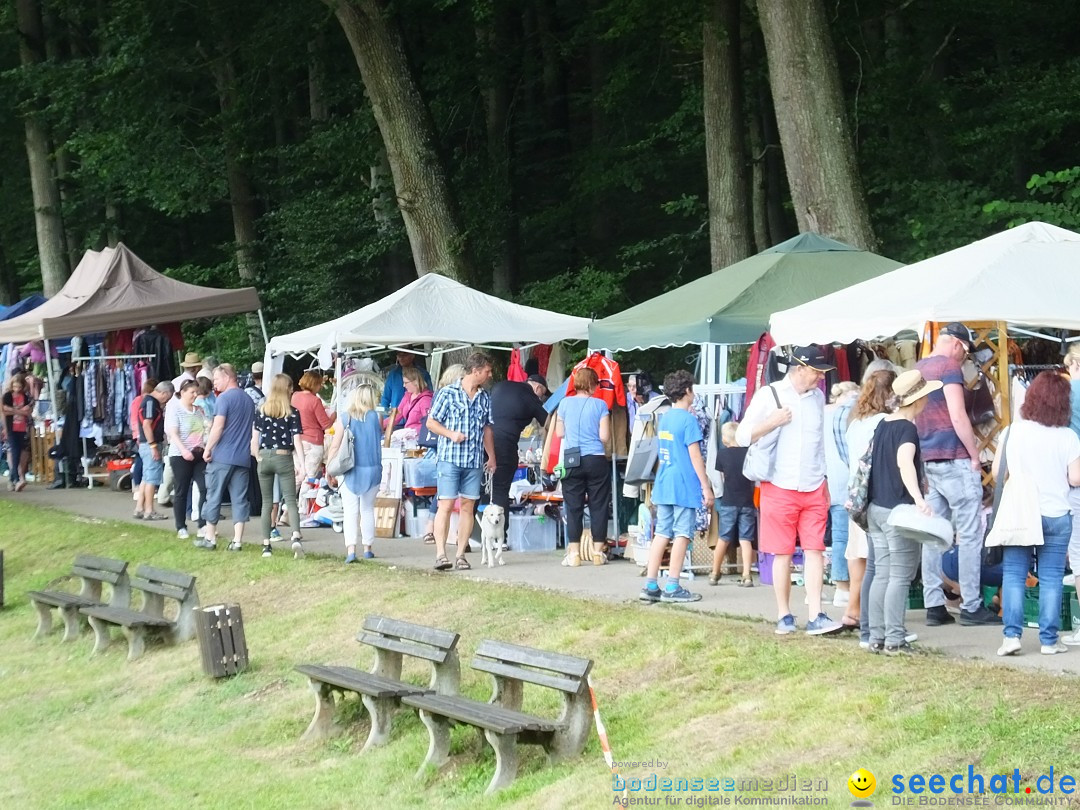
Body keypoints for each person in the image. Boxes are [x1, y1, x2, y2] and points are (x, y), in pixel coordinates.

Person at [736, 346, 843, 636]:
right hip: (778, 484)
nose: (821, 378)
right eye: (816, 372)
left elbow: (820, 443)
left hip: (813, 484)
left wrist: (826, 481)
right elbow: (741, 436)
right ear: (799, 369)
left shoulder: (818, 397)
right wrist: (773, 421)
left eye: (823, 373)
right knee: (781, 553)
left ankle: (816, 614)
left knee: (815, 550)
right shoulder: (770, 394)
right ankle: (784, 614)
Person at [916, 322, 1000, 626]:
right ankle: (971, 605)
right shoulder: (949, 368)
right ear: (956, 344)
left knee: (932, 534)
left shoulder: (918, 368)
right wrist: (975, 455)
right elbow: (957, 414)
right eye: (965, 351)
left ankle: (933, 604)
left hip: (928, 459)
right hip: (954, 457)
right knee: (969, 534)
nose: (965, 358)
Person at [993, 372, 1080, 656]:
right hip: (1056, 512)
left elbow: (997, 473)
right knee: (1052, 576)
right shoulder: (1068, 436)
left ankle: (1011, 637)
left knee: (1015, 573)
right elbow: (1076, 478)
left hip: (1020, 511)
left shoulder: (1012, 432)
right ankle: (1048, 640)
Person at [865, 370, 941, 655]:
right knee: (899, 576)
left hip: (875, 509)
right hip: (898, 510)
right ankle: (895, 639)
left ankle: (876, 636)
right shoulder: (908, 429)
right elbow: (904, 463)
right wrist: (919, 499)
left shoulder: (883, 424)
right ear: (918, 400)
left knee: (882, 574)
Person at [640, 370, 714, 602]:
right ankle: (673, 585)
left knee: (662, 532)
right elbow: (695, 457)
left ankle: (651, 584)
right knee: (682, 533)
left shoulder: (666, 418)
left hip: (665, 480)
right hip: (683, 483)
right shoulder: (689, 420)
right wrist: (706, 486)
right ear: (687, 391)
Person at [426, 352, 496, 571]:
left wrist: (491, 456)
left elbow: (487, 429)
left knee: (468, 506)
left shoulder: (485, 397)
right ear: (475, 371)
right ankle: (440, 554)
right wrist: (450, 434)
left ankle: (460, 554)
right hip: (449, 458)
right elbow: (431, 423)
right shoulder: (448, 393)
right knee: (445, 505)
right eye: (487, 371)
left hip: (474, 460)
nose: (489, 374)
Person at [844, 360, 898, 640]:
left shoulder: (855, 422)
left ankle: (867, 625)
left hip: (857, 497)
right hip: (879, 497)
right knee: (883, 567)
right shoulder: (885, 423)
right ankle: (882, 627)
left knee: (868, 565)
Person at [195, 364, 256, 552]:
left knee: (213, 496)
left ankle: (210, 538)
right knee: (240, 499)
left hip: (222, 456)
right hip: (242, 457)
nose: (214, 383)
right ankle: (237, 541)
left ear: (228, 376)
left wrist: (208, 448)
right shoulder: (248, 399)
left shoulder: (223, 399)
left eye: (217, 379)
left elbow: (218, 427)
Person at [557, 368, 612, 567]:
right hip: (595, 458)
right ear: (592, 385)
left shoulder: (564, 403)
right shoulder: (600, 405)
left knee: (573, 506)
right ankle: (598, 552)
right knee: (598, 505)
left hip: (572, 460)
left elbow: (559, 433)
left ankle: (574, 554)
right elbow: (604, 436)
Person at [326, 383, 384, 562]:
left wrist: (329, 467)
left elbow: (335, 445)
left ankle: (351, 550)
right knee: (367, 509)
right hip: (373, 470)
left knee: (350, 511)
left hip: (351, 470)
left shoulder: (345, 418)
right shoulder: (377, 417)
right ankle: (368, 547)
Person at [251, 373, 305, 559]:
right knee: (290, 499)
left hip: (265, 456)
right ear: (287, 389)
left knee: (266, 503)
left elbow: (254, 439)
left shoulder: (261, 410)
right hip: (284, 456)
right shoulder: (292, 412)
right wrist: (302, 465)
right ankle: (296, 536)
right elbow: (297, 440)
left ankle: (266, 545)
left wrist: (258, 456)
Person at [420, 364, 466, 545]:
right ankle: (438, 529)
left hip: (441, 445)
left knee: (444, 490)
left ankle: (431, 528)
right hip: (448, 445)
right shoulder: (448, 395)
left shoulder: (438, 394)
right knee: (446, 492)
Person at [490, 373, 549, 511]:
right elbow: (549, 423)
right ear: (537, 388)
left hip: (482, 441)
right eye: (542, 394)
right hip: (505, 446)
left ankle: (470, 531)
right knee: (500, 490)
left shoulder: (500, 386)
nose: (541, 398)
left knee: (475, 492)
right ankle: (500, 532)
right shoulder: (531, 397)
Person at [824, 381, 859, 605]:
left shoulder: (822, 413)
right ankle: (847, 586)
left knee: (836, 536)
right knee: (849, 537)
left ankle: (838, 587)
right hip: (848, 478)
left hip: (827, 480)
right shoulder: (848, 414)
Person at [710, 421, 756, 587]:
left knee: (723, 538)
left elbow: (721, 478)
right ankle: (747, 575)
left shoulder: (722, 455)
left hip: (729, 501)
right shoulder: (749, 453)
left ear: (724, 440)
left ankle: (715, 573)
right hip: (747, 502)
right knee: (745, 540)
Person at [165, 379, 208, 540]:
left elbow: (203, 430)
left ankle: (202, 524)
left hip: (198, 453)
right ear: (182, 392)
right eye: (192, 392)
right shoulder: (175, 409)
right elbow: (173, 433)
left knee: (204, 487)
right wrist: (183, 450)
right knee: (181, 489)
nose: (195, 395)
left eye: (196, 392)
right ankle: (181, 526)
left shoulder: (199, 410)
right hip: (180, 454)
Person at [135, 381, 174, 520]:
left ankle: (140, 507)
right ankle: (149, 510)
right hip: (150, 444)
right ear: (164, 393)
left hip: (145, 445)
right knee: (152, 479)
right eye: (168, 398)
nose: (166, 401)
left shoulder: (147, 401)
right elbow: (147, 424)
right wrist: (153, 446)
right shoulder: (151, 403)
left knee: (146, 477)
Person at [292, 370, 334, 488]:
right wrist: (333, 416)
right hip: (313, 442)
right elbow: (326, 425)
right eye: (319, 384)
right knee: (308, 478)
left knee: (297, 475)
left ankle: (289, 502)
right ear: (314, 384)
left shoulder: (295, 396)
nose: (320, 387)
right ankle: (304, 505)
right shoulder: (315, 401)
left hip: (297, 440)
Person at [128, 379, 157, 508]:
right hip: (142, 435)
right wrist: (139, 435)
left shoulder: (139, 400)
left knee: (142, 461)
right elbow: (136, 419)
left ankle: (139, 490)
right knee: (142, 461)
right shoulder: (145, 401)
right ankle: (137, 485)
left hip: (140, 434)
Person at [2, 374, 32, 491]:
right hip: (11, 428)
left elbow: (28, 412)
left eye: (19, 387)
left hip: (22, 427)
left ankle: (13, 477)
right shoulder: (7, 396)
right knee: (14, 450)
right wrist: (19, 411)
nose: (17, 389)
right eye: (15, 386)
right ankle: (15, 477)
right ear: (12, 385)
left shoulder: (25, 396)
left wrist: (13, 410)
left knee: (19, 451)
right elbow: (4, 411)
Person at [393, 366, 435, 433]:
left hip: (418, 438)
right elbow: (397, 416)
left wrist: (413, 430)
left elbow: (429, 424)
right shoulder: (407, 396)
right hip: (407, 434)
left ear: (415, 382)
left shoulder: (426, 400)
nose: (404, 385)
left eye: (406, 383)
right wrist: (380, 425)